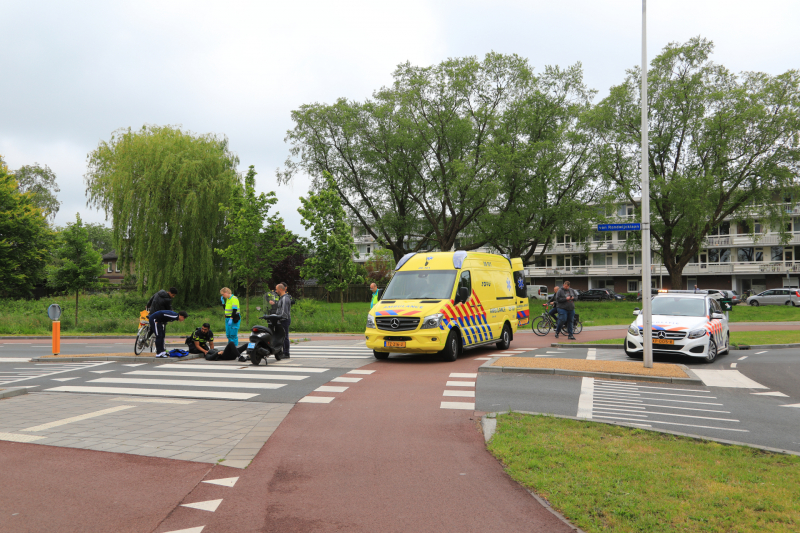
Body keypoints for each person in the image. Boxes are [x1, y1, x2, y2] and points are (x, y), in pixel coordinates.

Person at [270, 282, 292, 358]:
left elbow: (284, 312)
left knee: (284, 336)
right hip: (281, 320)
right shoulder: (282, 298)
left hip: (284, 320)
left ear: (280, 289)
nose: (275, 291)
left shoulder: (285, 298)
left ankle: (286, 353)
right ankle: (281, 352)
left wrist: (279, 318)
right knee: (281, 336)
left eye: (276, 289)